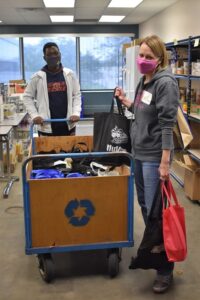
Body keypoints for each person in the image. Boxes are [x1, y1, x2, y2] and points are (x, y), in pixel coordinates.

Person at [115, 35, 179, 293]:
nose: (142, 60)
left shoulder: (166, 83)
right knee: (145, 207)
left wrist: (165, 162)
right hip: (139, 154)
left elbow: (166, 125)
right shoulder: (145, 80)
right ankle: (154, 252)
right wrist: (126, 101)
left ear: (160, 59)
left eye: (148, 57)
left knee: (157, 215)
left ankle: (165, 269)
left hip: (154, 157)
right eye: (140, 55)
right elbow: (143, 110)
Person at [23, 42, 81, 136]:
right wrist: (35, 115)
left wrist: (76, 112)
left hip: (68, 123)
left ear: (60, 55)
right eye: (49, 54)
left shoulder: (70, 74)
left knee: (69, 149)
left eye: (55, 53)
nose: (53, 56)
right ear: (44, 58)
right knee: (46, 151)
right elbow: (27, 97)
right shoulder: (37, 77)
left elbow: (77, 95)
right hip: (46, 125)